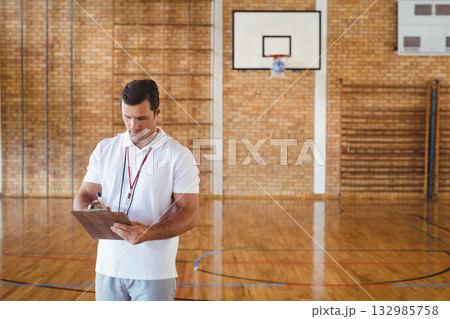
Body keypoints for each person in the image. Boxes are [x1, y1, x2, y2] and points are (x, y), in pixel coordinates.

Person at [73, 79, 200, 301]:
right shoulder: (105, 149)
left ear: (157, 112)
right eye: (127, 117)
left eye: (141, 118)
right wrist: (91, 209)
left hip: (153, 272)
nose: (133, 126)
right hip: (107, 269)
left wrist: (150, 232)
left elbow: (190, 214)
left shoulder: (179, 155)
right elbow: (84, 196)